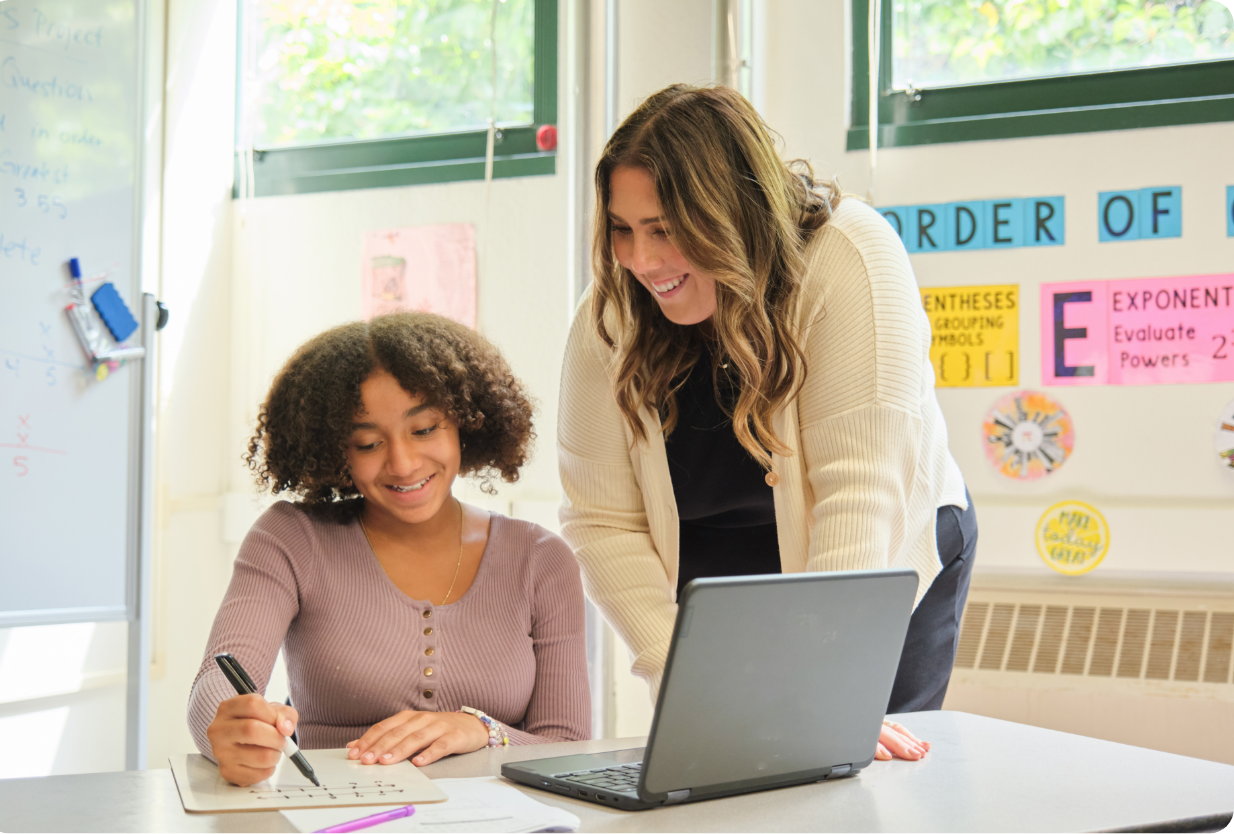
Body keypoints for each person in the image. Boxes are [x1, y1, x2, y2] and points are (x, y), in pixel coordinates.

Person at [557, 84, 976, 762]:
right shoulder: (611, 312)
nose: (643, 261)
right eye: (624, 229)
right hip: (720, 571)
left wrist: (827, 689)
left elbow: (861, 494)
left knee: (853, 756)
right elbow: (601, 520)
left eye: (666, 229)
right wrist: (679, 675)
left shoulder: (848, 258)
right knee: (735, 755)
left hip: (881, 549)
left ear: (731, 212)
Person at [188, 312, 590, 786]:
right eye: (368, 443)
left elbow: (569, 746)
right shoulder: (291, 539)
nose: (402, 463)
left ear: (465, 422)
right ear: (336, 450)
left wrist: (481, 730)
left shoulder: (540, 558)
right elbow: (216, 684)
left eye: (424, 430)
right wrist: (233, 730)